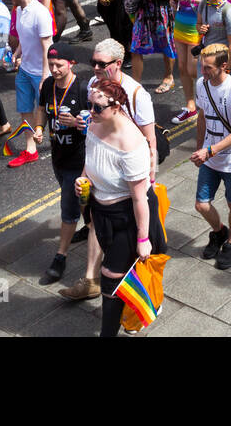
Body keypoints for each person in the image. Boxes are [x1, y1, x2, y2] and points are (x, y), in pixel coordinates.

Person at [79, 79, 166, 337]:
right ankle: (143, 303)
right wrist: (82, 179)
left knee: (110, 275)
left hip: (127, 217)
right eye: (90, 105)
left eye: (98, 107)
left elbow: (140, 198)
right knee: (125, 275)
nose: (91, 112)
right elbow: (89, 162)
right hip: (101, 213)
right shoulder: (94, 126)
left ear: (117, 107)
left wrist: (143, 239)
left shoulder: (131, 144)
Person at [192, 44, 231, 271]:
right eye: (201, 67)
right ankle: (219, 233)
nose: (203, 72)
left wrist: (210, 150)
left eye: (207, 68)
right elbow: (202, 117)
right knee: (201, 204)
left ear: (223, 66)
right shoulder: (201, 85)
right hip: (209, 155)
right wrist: (200, 148)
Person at [38, 46, 90, 283]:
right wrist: (39, 128)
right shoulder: (49, 85)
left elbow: (96, 123)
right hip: (57, 156)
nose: (55, 69)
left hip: (78, 159)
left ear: (72, 63)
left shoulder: (82, 88)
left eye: (59, 64)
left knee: (68, 208)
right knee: (83, 200)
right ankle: (92, 226)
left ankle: (60, 256)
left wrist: (77, 122)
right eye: (51, 64)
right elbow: (41, 109)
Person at [7, 0, 54, 166]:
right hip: (25, 70)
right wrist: (17, 54)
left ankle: (61, 143)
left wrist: (45, 75)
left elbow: (47, 47)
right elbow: (24, 38)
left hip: (40, 72)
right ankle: (30, 149)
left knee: (50, 112)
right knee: (25, 108)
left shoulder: (41, 13)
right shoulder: (19, 9)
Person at [169, 0, 210, 122]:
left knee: (195, 69)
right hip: (180, 23)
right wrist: (174, 1)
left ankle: (207, 100)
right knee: (182, 68)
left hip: (196, 25)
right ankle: (190, 105)